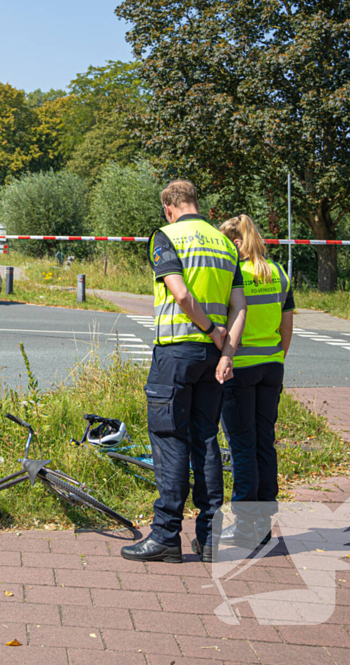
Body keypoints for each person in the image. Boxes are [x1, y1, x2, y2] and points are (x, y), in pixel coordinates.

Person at [121, 180, 247, 564]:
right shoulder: (224, 242)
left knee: (169, 439)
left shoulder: (166, 236)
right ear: (196, 203)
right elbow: (240, 307)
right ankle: (209, 539)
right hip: (214, 358)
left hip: (176, 353)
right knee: (206, 440)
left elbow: (180, 294)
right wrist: (226, 350)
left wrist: (209, 328)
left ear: (169, 208)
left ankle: (165, 537)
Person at [217, 215, 293, 547]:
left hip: (240, 368)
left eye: (223, 243)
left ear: (236, 243)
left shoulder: (235, 275)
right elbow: (287, 324)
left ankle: (246, 525)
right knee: (265, 442)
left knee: (241, 445)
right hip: (271, 366)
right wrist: (277, 356)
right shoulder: (278, 273)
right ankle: (263, 520)